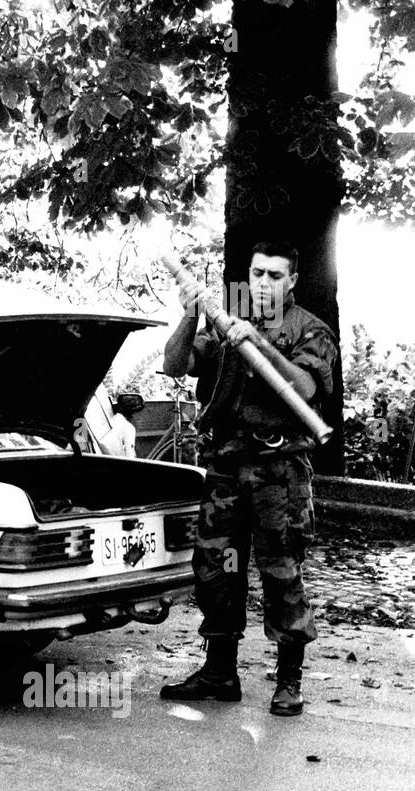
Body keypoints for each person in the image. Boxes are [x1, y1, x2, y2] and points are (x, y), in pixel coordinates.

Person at [158, 241, 338, 717]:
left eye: (275, 275)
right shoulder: (225, 323)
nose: (263, 283)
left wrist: (256, 344)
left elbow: (303, 387)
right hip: (225, 468)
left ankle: (289, 681)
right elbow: (175, 365)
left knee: (280, 571)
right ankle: (220, 673)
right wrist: (191, 316)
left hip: (278, 473)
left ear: (292, 280)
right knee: (218, 567)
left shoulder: (309, 330)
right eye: (257, 273)